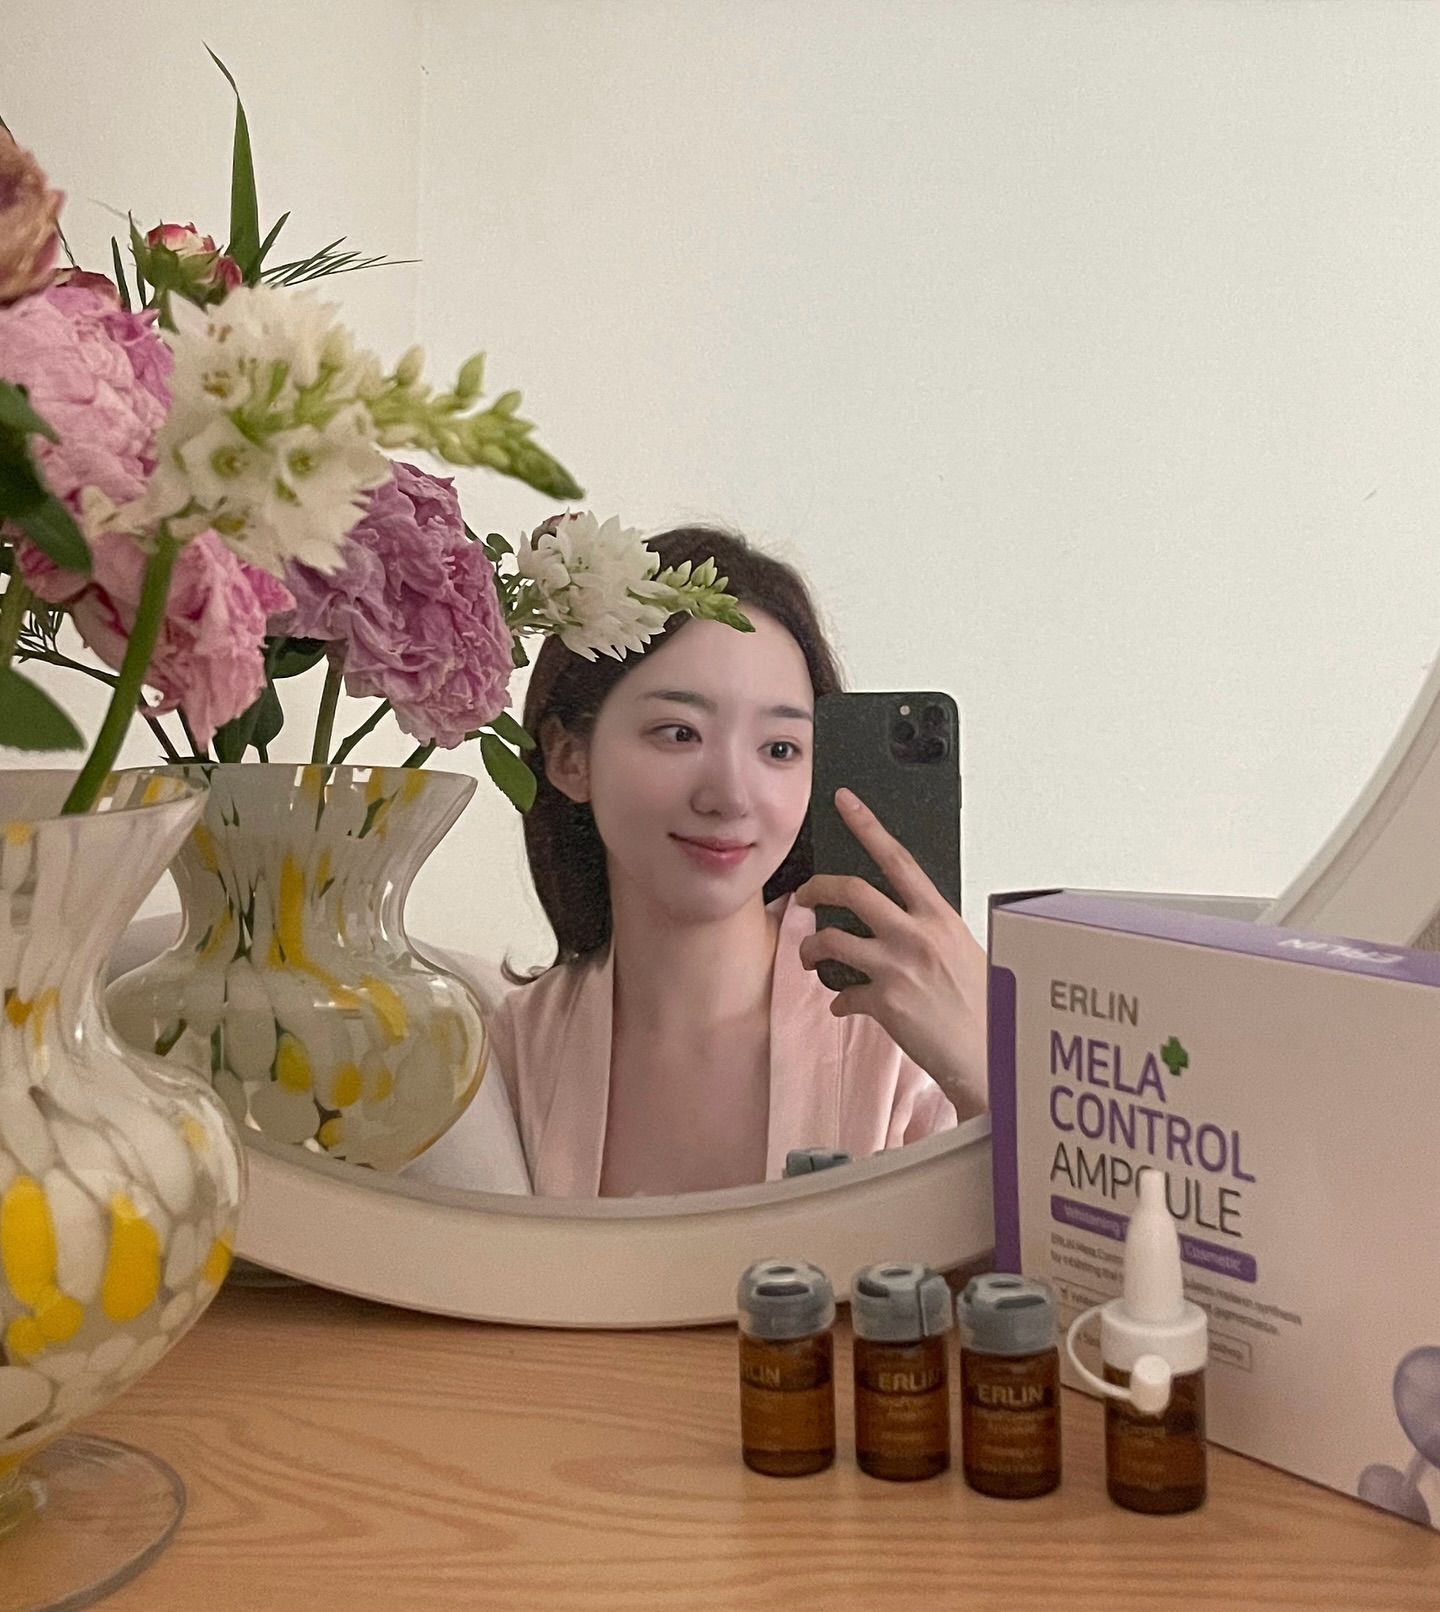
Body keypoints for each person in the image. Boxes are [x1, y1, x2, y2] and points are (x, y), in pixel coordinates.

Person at [414, 526, 988, 1197]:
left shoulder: (900, 1033)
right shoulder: (508, 1056)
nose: (731, 796)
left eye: (780, 749)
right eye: (679, 733)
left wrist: (986, 1075)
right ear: (571, 758)